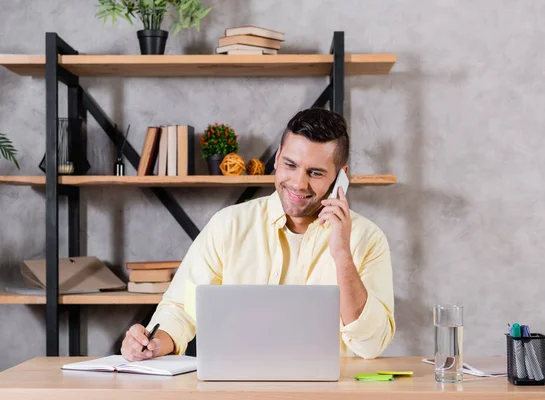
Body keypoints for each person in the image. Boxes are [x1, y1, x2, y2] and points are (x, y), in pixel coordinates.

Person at [121, 108, 395, 361]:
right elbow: (181, 309)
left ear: (340, 177)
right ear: (276, 158)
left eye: (315, 172)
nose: (299, 183)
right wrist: (154, 343)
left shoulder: (367, 239)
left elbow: (371, 345)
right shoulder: (229, 225)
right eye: (290, 165)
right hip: (238, 390)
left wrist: (342, 255)